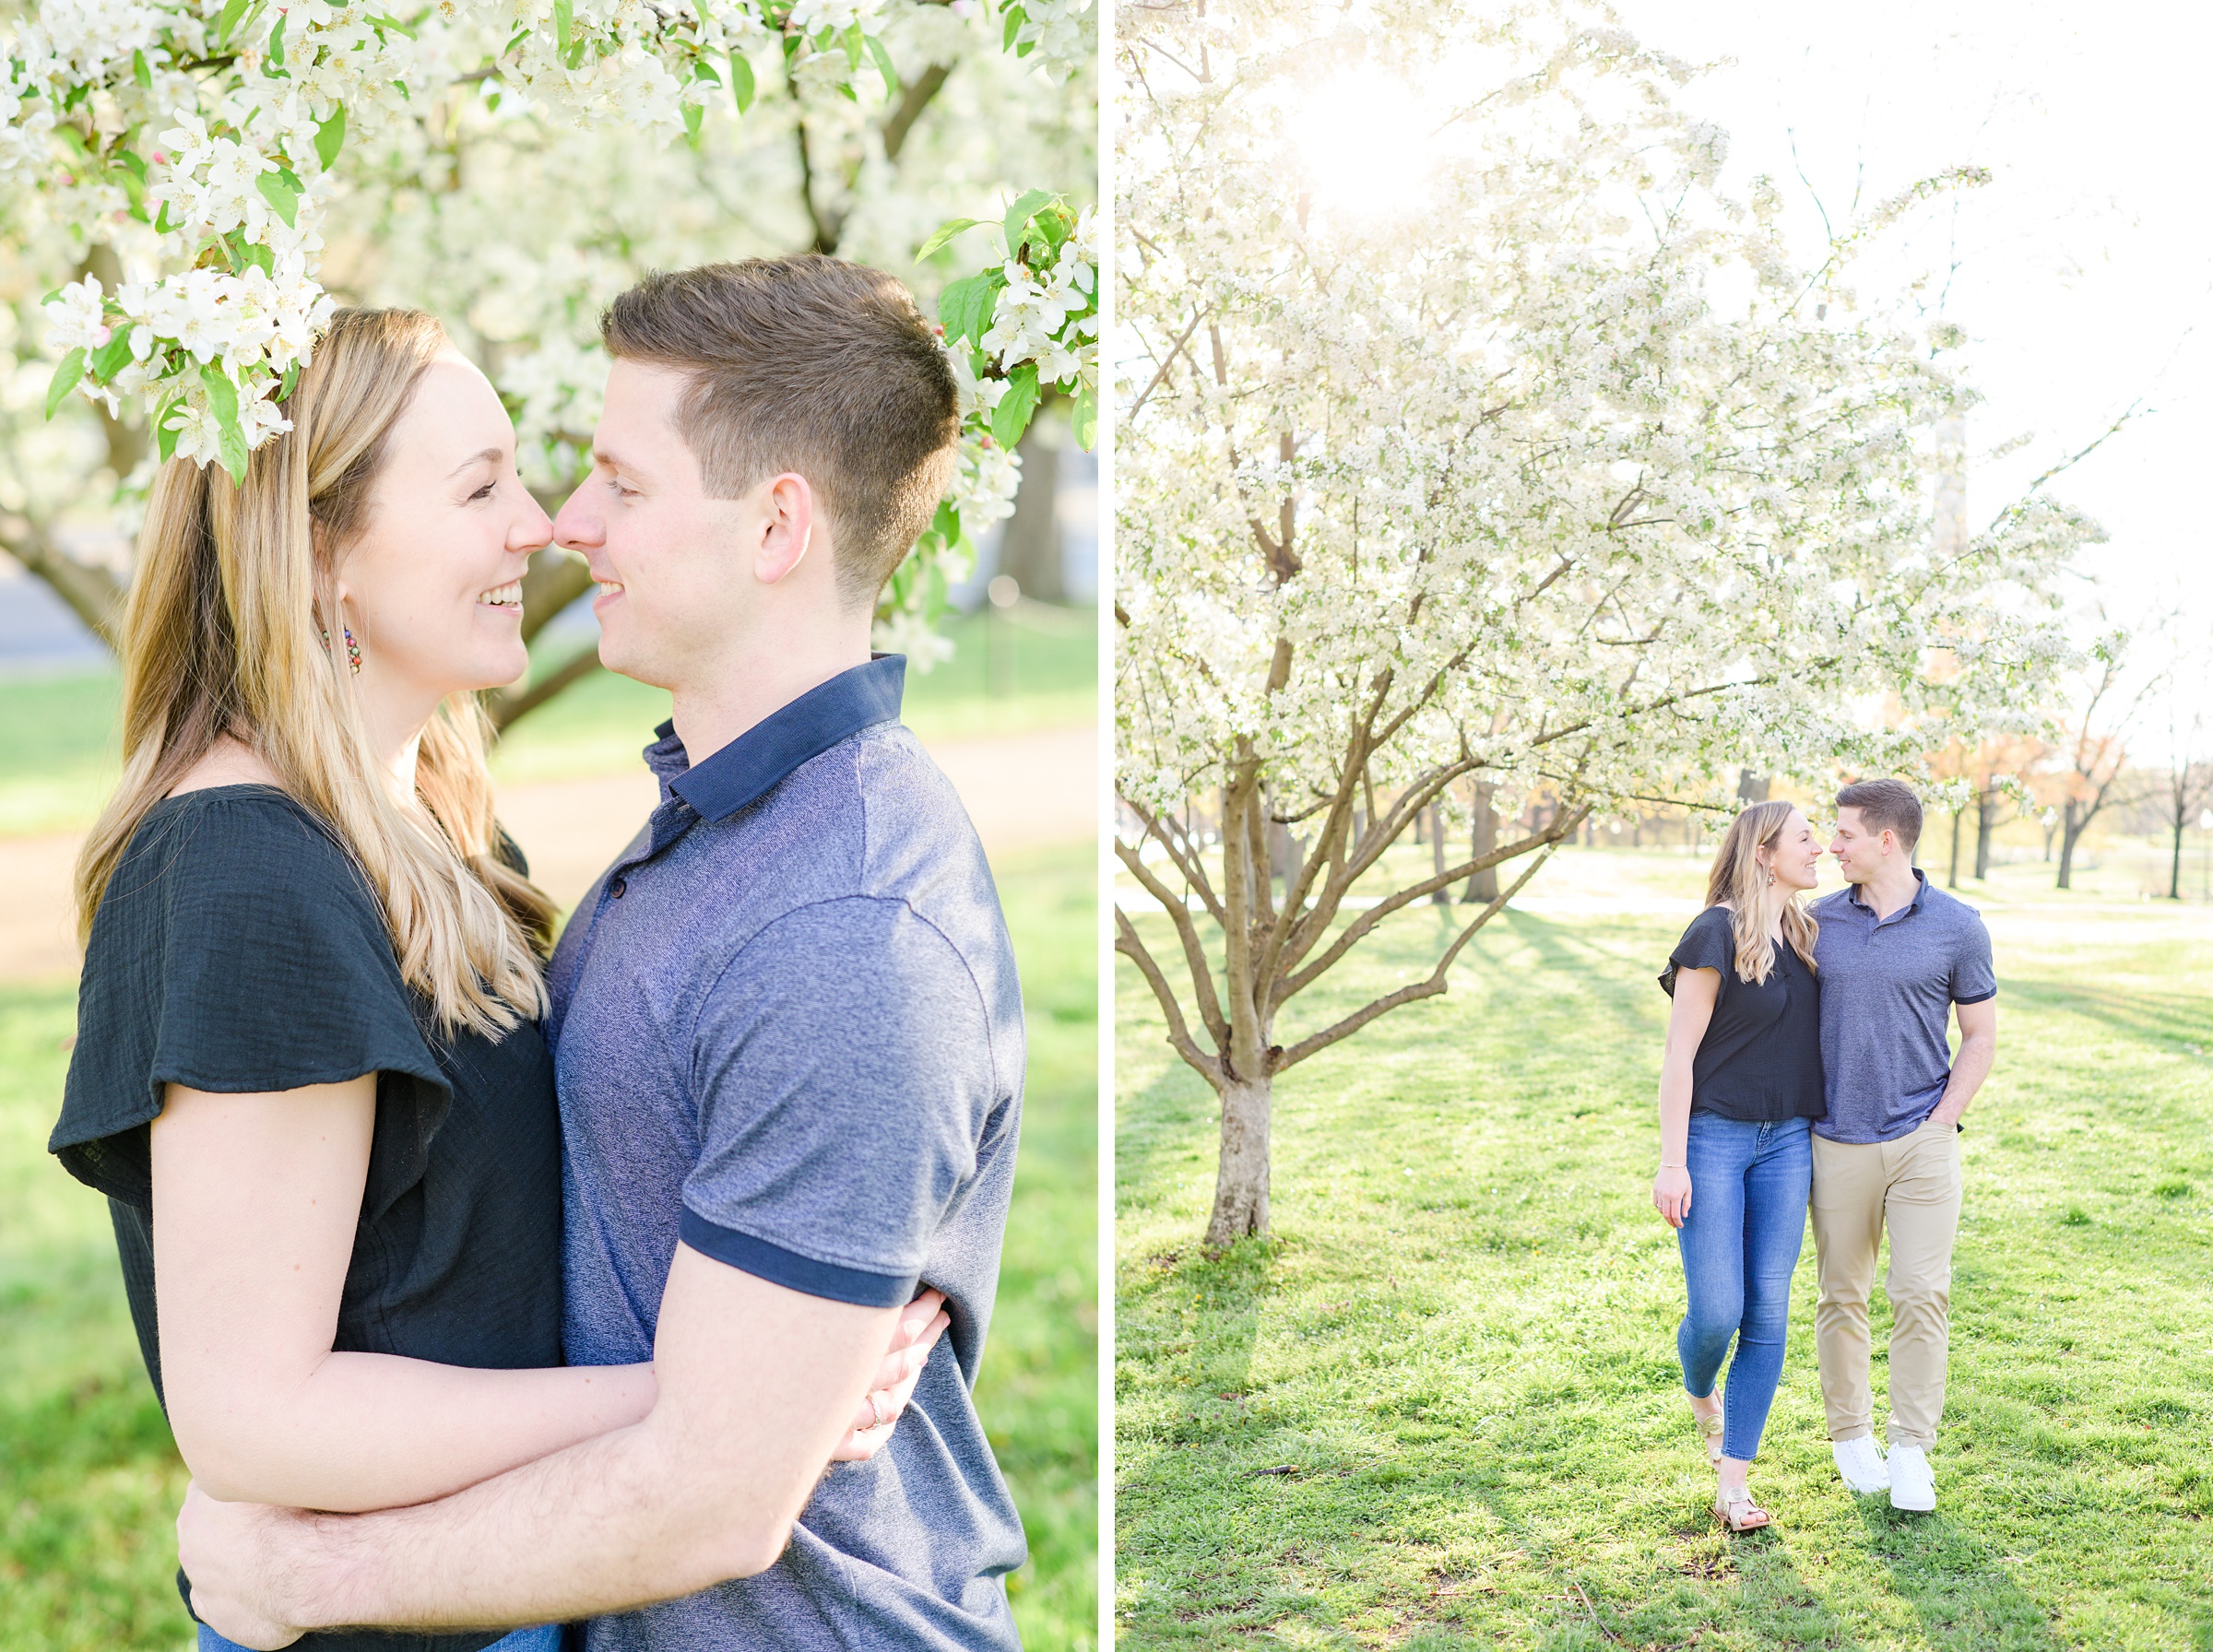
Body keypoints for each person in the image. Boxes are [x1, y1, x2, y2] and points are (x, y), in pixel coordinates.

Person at [48, 307, 944, 1652]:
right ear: (320, 551)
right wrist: (706, 1407)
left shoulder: (429, 825)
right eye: (482, 488)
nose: (540, 527)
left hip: (496, 1589)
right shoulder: (243, 870)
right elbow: (250, 1416)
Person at [1809, 778, 1995, 1514]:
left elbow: (1980, 1037)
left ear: (1887, 839)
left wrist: (1943, 1119)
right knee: (1841, 1296)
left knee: (1921, 1293)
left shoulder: (1958, 925)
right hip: (1835, 1140)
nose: (1832, 845)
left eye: (1845, 833)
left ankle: (1912, 1449)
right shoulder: (1815, 922)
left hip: (1924, 1138)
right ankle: (1852, 1437)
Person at [1653, 799, 1827, 1533]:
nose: (1818, 849)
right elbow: (1679, 1056)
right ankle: (1699, 1388)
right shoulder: (1714, 932)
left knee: (1768, 1310)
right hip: (1715, 1140)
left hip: (1789, 1141)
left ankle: (1734, 1482)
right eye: (1805, 839)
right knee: (1717, 1311)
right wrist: (1672, 1162)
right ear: (1762, 851)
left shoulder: (1808, 931)